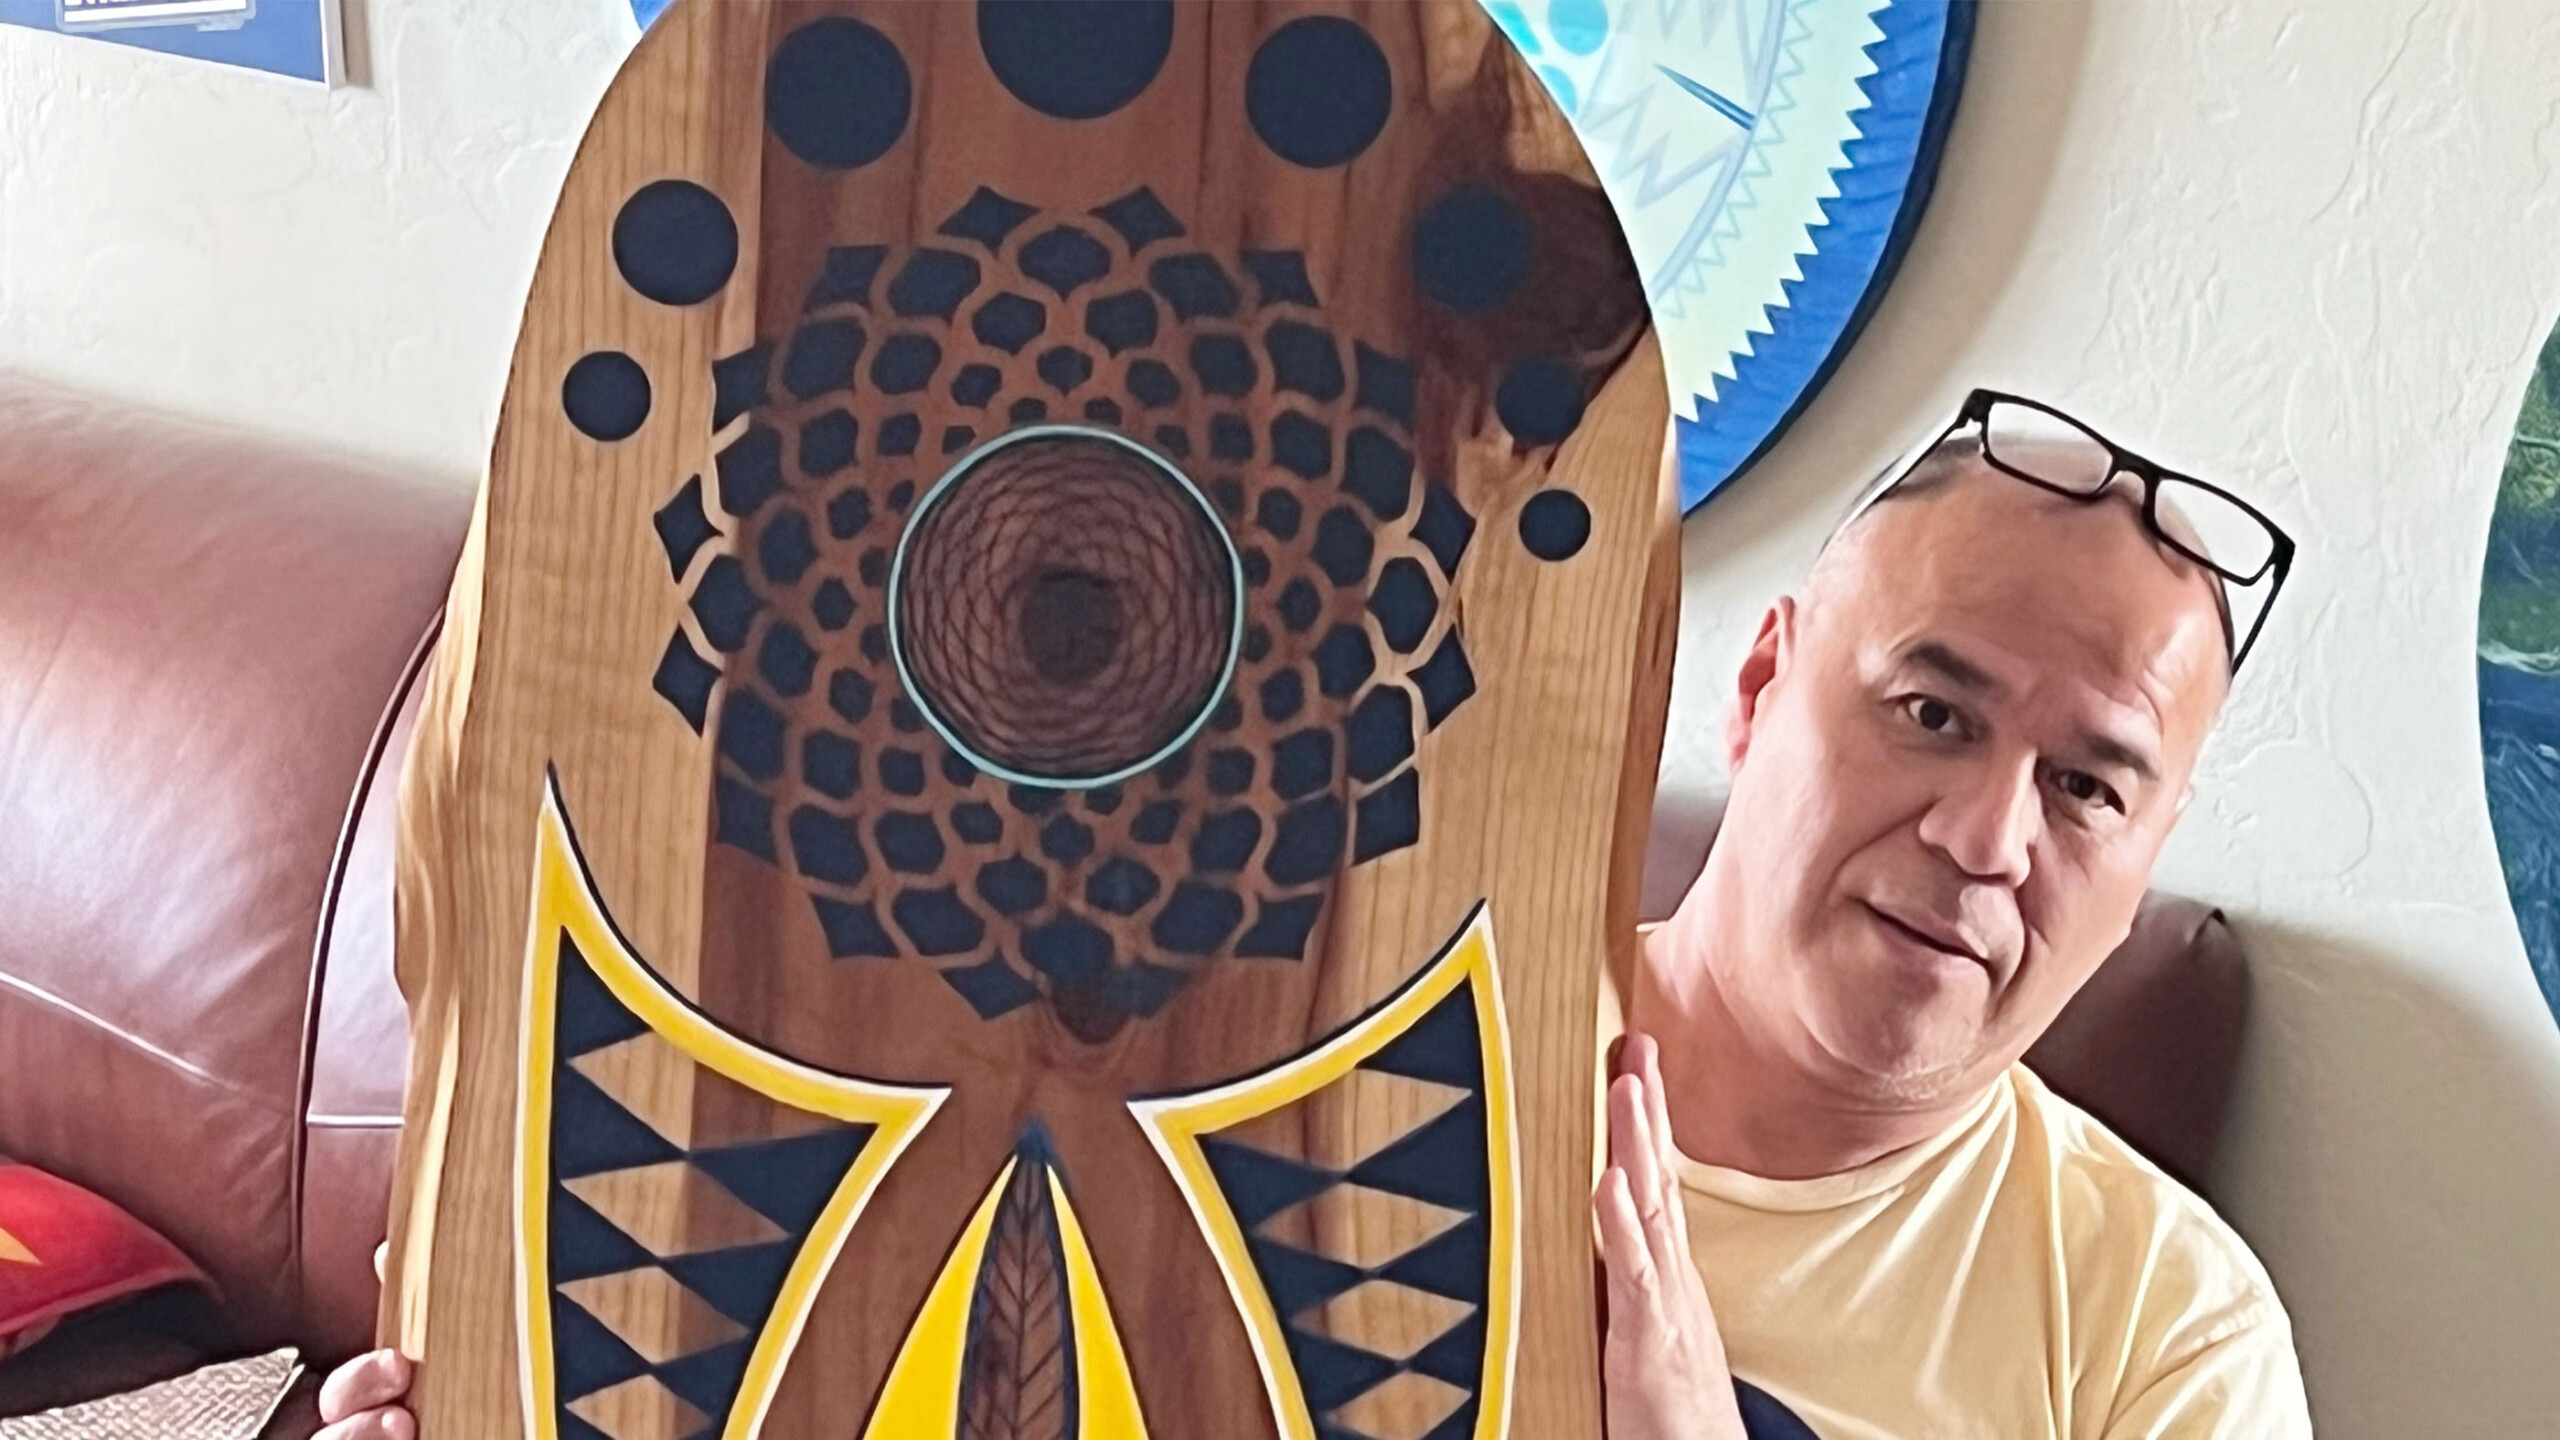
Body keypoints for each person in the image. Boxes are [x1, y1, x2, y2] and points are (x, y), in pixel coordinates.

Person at [319, 390, 2314, 1439]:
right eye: (1930, 710)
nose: (1984, 836)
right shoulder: (1305, 1047)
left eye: (2084, 785)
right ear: (1763, 674)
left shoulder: (2159, 1336)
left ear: (2147, 849)